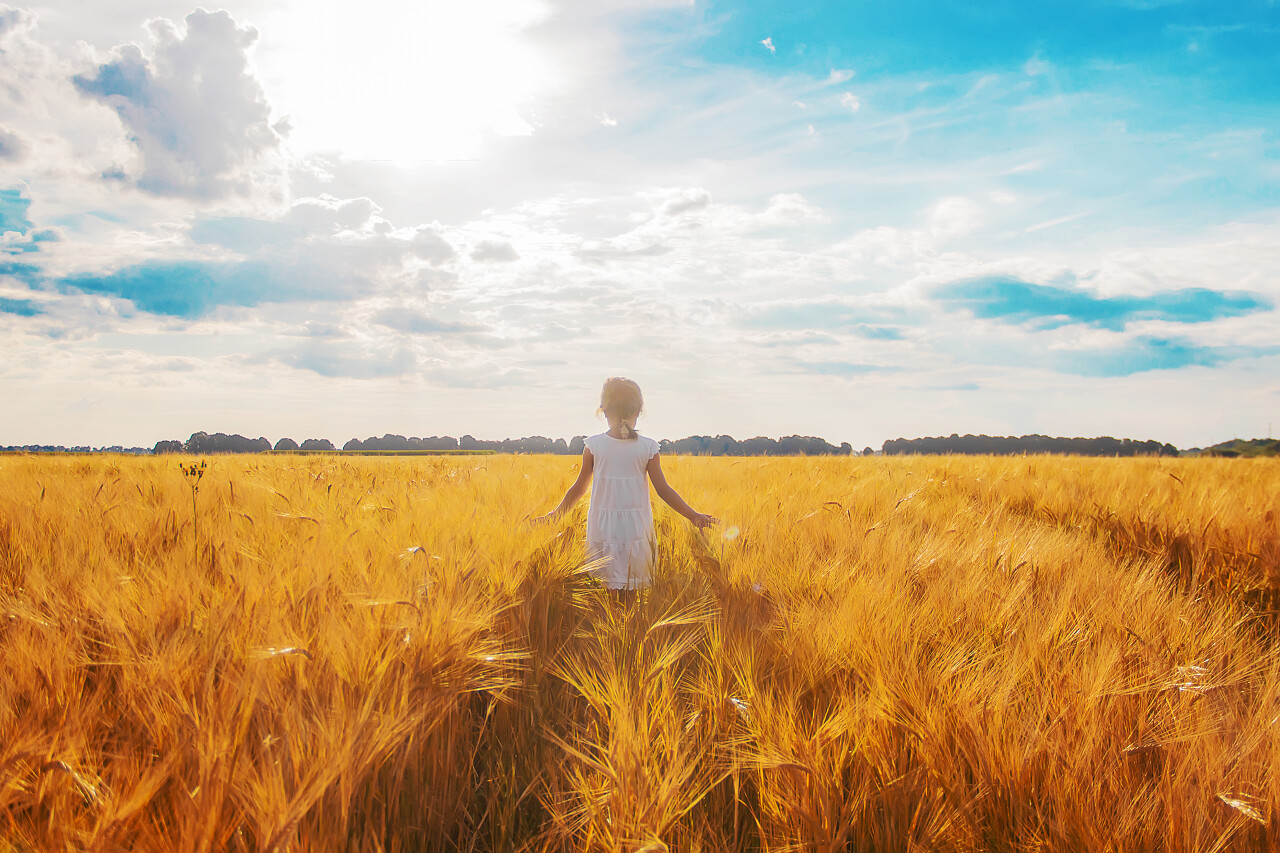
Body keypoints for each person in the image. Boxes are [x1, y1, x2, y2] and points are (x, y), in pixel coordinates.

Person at [536, 377, 716, 591]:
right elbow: (663, 490)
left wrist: (554, 515)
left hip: (604, 529)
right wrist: (693, 515)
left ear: (603, 411)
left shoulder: (594, 445)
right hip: (636, 531)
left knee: (604, 594)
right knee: (632, 595)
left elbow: (579, 487)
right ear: (638, 412)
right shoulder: (648, 448)